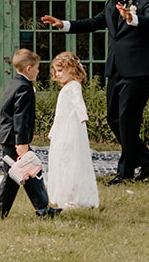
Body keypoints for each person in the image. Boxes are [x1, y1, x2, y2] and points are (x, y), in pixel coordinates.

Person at [40, 0, 149, 184]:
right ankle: (148, 163)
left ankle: (124, 173)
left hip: (138, 72)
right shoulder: (111, 5)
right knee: (114, 119)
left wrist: (131, 18)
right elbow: (93, 23)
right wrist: (63, 24)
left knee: (127, 121)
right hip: (115, 71)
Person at [0, 49, 60, 219]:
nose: (38, 71)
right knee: (13, 177)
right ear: (28, 69)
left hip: (10, 137)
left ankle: (43, 208)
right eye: (37, 68)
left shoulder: (14, 83)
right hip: (15, 139)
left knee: (30, 172)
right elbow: (20, 117)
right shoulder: (24, 88)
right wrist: (22, 143)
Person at [44, 52, 99, 209]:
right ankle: (63, 194)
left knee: (70, 160)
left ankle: (73, 196)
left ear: (72, 69)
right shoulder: (65, 88)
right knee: (62, 159)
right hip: (63, 127)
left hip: (71, 128)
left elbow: (78, 102)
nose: (58, 74)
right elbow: (59, 114)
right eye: (56, 71)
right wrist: (54, 130)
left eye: (61, 70)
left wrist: (83, 116)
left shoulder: (74, 86)